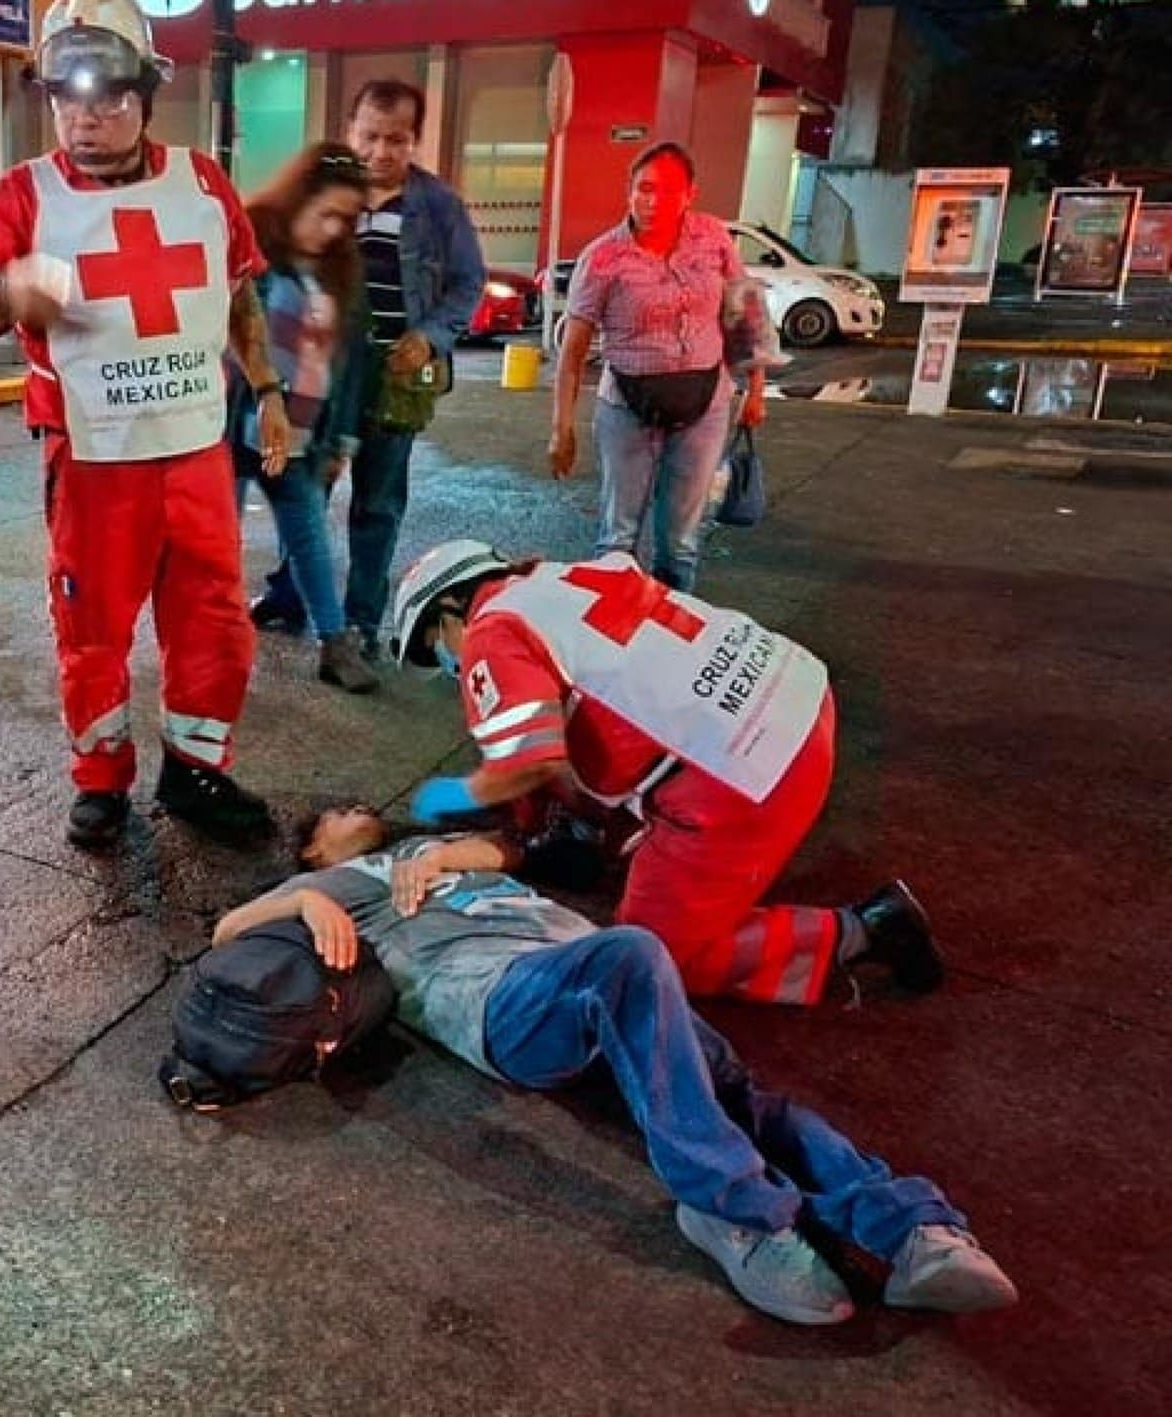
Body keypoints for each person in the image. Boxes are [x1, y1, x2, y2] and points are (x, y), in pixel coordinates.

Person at [211, 804, 1019, 1327]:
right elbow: (229, 929)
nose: (354, 809)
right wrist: (305, 898)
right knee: (632, 952)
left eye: (356, 805)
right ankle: (731, 1208)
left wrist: (451, 850)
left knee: (739, 1093)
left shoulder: (428, 849)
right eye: (333, 816)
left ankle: (911, 1228)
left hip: (599, 985)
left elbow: (507, 844)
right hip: (506, 1002)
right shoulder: (325, 883)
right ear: (313, 848)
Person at [0, 0, 291, 850]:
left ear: (145, 95)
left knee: (214, 620)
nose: (84, 117)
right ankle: (100, 780)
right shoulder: (25, 194)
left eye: (104, 98)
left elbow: (238, 287)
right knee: (92, 625)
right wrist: (6, 292)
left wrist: (271, 390)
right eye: (66, 98)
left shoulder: (203, 182)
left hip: (197, 453)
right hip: (94, 459)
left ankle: (196, 769)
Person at [386, 540, 942, 1007]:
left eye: (437, 647)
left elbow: (528, 763)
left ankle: (865, 931)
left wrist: (455, 794)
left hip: (738, 779)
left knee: (646, 961)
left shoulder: (490, 631)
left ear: (450, 609)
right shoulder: (560, 576)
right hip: (798, 699)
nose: (450, 663)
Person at [250, 78, 484, 653]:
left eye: (396, 140)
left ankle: (360, 621)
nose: (381, 152)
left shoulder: (439, 207)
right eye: (370, 137)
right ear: (350, 131)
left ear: (415, 142)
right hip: (320, 368)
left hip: (396, 375)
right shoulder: (325, 191)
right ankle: (290, 596)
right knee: (302, 487)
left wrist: (429, 339)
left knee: (378, 502)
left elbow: (468, 282)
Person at [550, 142, 764, 592]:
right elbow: (573, 350)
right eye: (644, 189)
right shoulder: (603, 258)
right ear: (629, 192)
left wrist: (756, 388)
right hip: (627, 407)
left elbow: (743, 314)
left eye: (668, 191)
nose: (653, 201)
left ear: (690, 194)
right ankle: (613, 638)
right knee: (617, 541)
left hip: (705, 405)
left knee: (680, 543)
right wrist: (562, 427)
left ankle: (673, 632)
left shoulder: (714, 239)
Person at [232, 141, 376, 694]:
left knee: (311, 539)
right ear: (299, 200)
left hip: (301, 432)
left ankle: (334, 644)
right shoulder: (252, 242)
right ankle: (213, 647)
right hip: (233, 424)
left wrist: (342, 439)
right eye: (328, 214)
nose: (336, 229)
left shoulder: (340, 269)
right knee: (219, 543)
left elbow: (353, 357)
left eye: (348, 218)